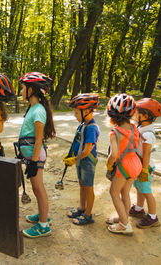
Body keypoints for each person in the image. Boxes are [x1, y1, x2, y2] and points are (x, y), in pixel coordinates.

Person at [17, 72, 56, 238]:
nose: (21, 91)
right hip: (32, 156)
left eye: (23, 88)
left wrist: (33, 162)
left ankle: (43, 225)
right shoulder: (33, 108)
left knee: (38, 188)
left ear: (31, 89)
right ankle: (42, 216)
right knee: (36, 187)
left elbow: (38, 139)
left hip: (36, 156)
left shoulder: (38, 110)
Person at [105, 93, 142, 234]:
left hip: (123, 166)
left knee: (113, 193)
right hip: (135, 164)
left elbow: (113, 155)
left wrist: (109, 164)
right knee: (125, 193)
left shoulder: (115, 132)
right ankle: (123, 217)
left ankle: (124, 225)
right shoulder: (134, 128)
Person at [64, 93, 100, 225]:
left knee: (88, 187)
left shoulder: (91, 128)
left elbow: (86, 151)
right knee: (82, 184)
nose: (75, 116)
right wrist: (71, 156)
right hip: (80, 160)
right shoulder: (83, 124)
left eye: (76, 113)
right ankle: (82, 207)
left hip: (87, 161)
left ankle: (88, 214)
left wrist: (74, 159)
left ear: (86, 111)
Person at [130, 98, 161, 228]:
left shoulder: (148, 134)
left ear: (145, 115)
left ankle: (153, 217)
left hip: (145, 167)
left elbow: (147, 154)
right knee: (139, 188)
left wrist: (144, 170)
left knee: (147, 191)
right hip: (139, 165)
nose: (134, 115)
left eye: (137, 112)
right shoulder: (141, 127)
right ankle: (139, 208)